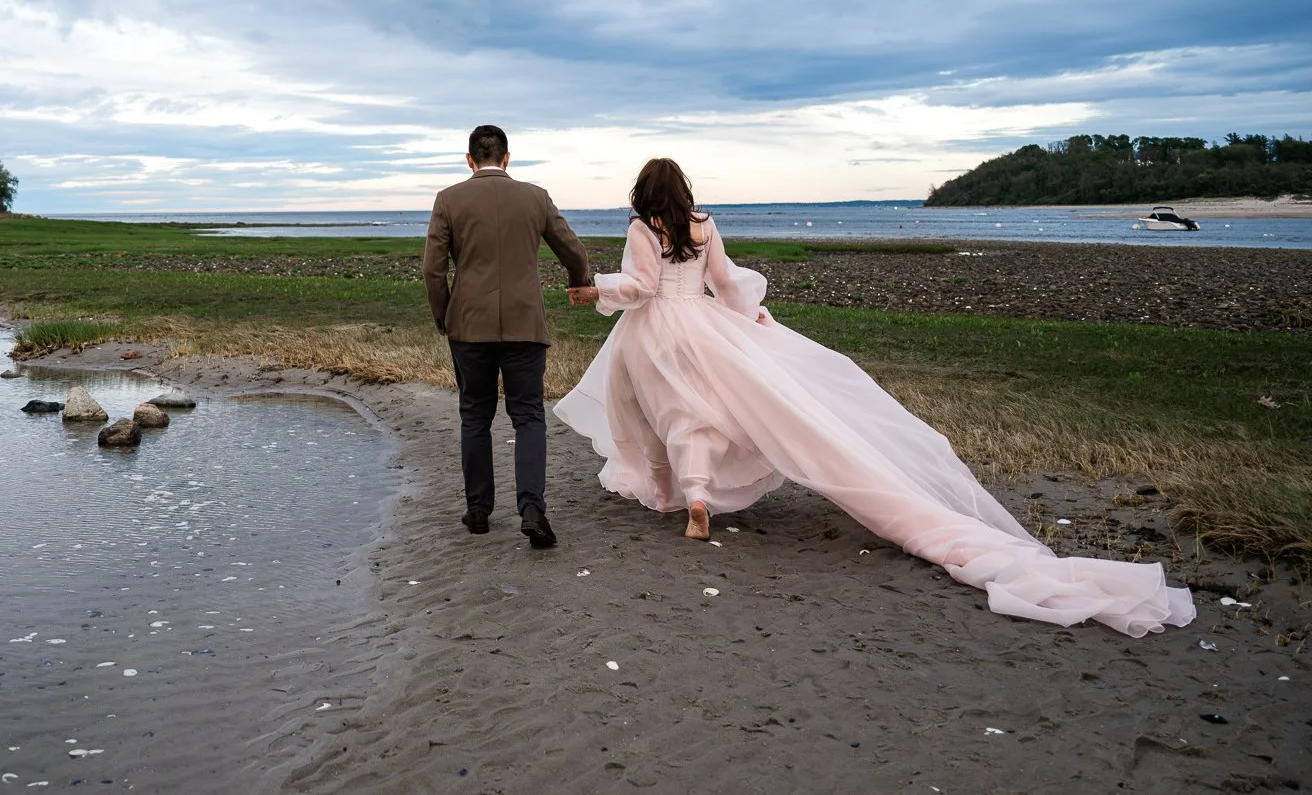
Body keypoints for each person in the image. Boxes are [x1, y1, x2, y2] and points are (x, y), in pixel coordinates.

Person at [555, 158, 1195, 637]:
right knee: (708, 410)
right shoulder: (703, 225)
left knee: (666, 410)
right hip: (707, 325)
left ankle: (675, 494)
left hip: (658, 332)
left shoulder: (643, 229)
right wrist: (751, 318)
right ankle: (694, 496)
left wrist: (597, 289)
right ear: (684, 191)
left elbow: (641, 288)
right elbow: (724, 282)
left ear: (644, 195)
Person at [422, 124, 594, 547]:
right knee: (528, 414)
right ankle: (532, 509)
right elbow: (573, 250)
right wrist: (579, 281)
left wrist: (444, 314)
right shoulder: (535, 197)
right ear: (507, 157)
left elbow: (432, 269)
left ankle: (479, 511)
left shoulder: (448, 199)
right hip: (524, 323)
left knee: (474, 415)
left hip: (469, 324)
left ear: (469, 160)